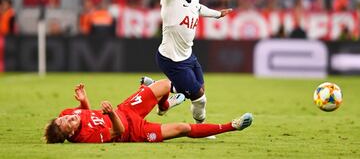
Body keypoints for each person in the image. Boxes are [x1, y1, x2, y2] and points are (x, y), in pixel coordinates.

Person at [145, 0, 233, 135]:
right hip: (171, 60)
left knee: (199, 89)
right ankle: (201, 129)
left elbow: (199, 8)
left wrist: (217, 14)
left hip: (189, 57)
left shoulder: (194, 0)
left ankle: (161, 93)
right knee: (200, 99)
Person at [44, 80, 253, 143]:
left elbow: (85, 115)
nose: (69, 117)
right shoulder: (86, 138)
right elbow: (117, 132)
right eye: (67, 123)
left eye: (64, 118)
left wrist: (83, 102)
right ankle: (232, 126)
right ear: (70, 134)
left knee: (164, 85)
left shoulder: (69, 113)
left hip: (126, 109)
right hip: (134, 131)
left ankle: (165, 106)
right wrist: (110, 114)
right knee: (182, 128)